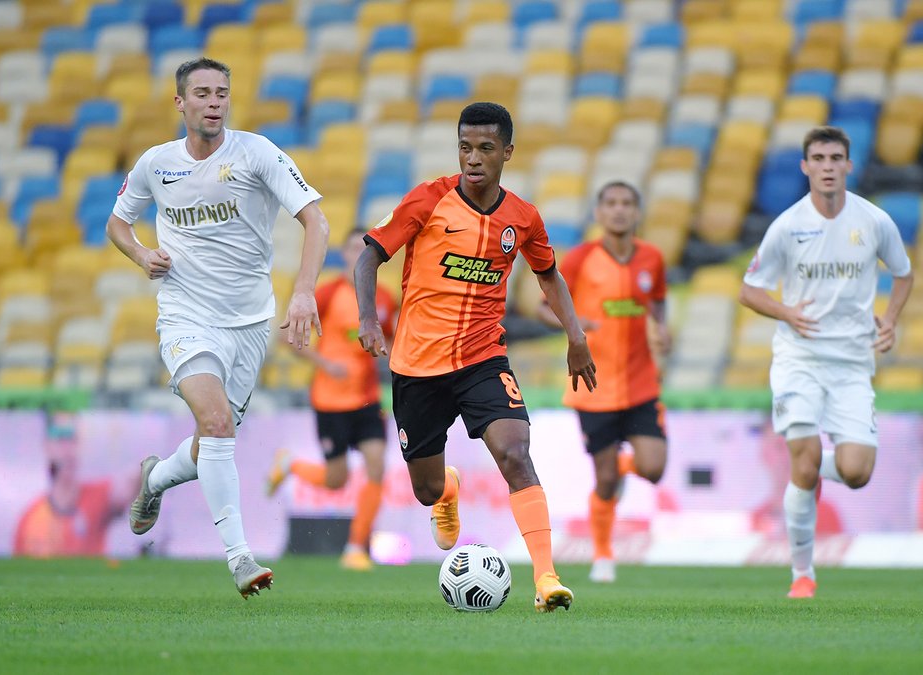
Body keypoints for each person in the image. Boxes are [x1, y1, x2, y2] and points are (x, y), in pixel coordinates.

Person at [355, 102, 597, 613]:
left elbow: (549, 275)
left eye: (486, 148)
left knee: (516, 454)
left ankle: (547, 578)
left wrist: (575, 337)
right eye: (465, 147)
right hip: (417, 366)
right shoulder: (428, 199)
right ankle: (447, 491)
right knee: (425, 489)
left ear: (507, 152)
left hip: (483, 359)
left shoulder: (523, 218)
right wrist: (369, 319)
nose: (473, 158)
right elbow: (368, 257)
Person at [108, 57, 329, 598]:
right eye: (203, 93)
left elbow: (316, 220)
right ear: (180, 102)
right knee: (216, 421)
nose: (214, 102)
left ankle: (155, 478)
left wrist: (304, 291)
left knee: (215, 436)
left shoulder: (256, 153)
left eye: (222, 93)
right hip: (186, 315)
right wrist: (141, 255)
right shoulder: (156, 164)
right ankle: (240, 558)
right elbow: (117, 223)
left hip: (249, 323)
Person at [738, 125, 913, 598]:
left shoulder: (874, 221)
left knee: (857, 472)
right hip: (799, 358)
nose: (828, 167)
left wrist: (890, 319)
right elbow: (748, 290)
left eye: (836, 158)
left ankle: (811, 469)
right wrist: (786, 312)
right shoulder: (788, 226)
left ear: (849, 165)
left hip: (852, 362)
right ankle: (803, 573)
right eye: (819, 159)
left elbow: (903, 273)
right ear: (805, 166)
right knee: (804, 456)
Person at [536, 181, 670, 584]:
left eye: (627, 203)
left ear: (637, 212)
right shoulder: (580, 258)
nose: (619, 210)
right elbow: (543, 308)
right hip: (593, 386)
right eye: (611, 203)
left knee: (654, 468)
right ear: (599, 212)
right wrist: (573, 324)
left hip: (641, 383)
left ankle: (626, 462)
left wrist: (662, 329)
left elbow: (658, 303)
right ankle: (603, 554)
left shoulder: (652, 258)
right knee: (606, 481)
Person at [266, 232, 399, 571]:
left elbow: (394, 339)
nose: (359, 255)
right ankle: (290, 465)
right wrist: (325, 364)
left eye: (365, 250)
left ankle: (355, 548)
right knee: (336, 480)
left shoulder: (384, 298)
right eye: (353, 248)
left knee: (376, 466)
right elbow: (285, 336)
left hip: (367, 398)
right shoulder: (327, 294)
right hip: (330, 400)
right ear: (343, 254)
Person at [13, 412, 135, 558]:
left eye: (73, 439)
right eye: (60, 439)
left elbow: (127, 489)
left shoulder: (98, 496)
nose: (68, 450)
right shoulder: (30, 520)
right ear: (47, 445)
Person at [750, 422, 843, 538]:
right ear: (765, 455)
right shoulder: (754, 521)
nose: (789, 456)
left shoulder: (825, 514)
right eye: (779, 447)